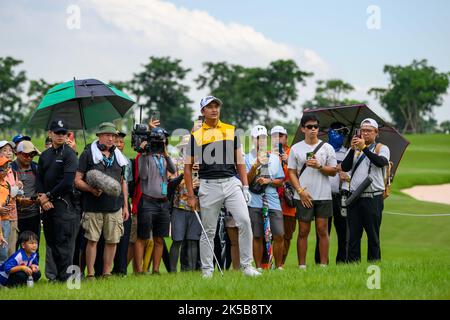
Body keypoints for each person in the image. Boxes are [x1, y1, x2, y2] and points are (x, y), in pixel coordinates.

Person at [184, 96, 261, 278]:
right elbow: (187, 168)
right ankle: (207, 271)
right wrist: (190, 195)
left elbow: (239, 161)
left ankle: (246, 266)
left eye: (216, 106)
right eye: (209, 107)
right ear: (202, 111)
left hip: (231, 182)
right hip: (208, 185)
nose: (214, 109)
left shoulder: (230, 130)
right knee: (208, 230)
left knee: (244, 221)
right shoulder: (196, 136)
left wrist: (245, 186)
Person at [75, 122, 129, 278]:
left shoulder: (118, 156)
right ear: (99, 136)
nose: (111, 139)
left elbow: (122, 181)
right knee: (92, 240)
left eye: (113, 136)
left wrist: (125, 206)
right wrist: (91, 189)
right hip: (93, 206)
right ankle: (91, 274)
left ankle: (106, 272)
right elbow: (77, 180)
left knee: (112, 241)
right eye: (107, 135)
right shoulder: (87, 154)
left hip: (114, 206)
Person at [288, 114, 337, 268]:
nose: (313, 130)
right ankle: (302, 266)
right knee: (303, 230)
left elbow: (334, 171)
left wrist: (319, 166)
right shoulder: (296, 148)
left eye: (316, 127)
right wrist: (300, 191)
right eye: (309, 127)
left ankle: (323, 265)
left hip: (323, 194)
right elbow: (291, 172)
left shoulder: (327, 148)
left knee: (322, 230)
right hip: (303, 195)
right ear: (303, 129)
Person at [341, 118, 390, 263]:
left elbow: (381, 162)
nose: (365, 133)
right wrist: (352, 149)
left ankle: (373, 267)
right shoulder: (355, 149)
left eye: (369, 131)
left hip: (373, 197)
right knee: (353, 236)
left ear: (376, 133)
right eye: (363, 130)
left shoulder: (381, 148)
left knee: (373, 236)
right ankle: (352, 268)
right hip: (355, 197)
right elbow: (344, 167)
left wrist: (364, 149)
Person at [36, 119, 80, 282]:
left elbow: (68, 182)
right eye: (57, 133)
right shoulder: (45, 155)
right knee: (52, 242)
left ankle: (68, 279)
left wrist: (49, 196)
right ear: (50, 134)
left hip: (65, 206)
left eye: (64, 133)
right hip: (47, 206)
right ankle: (56, 278)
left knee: (65, 245)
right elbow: (39, 178)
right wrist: (42, 197)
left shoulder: (70, 154)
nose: (61, 136)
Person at [135, 126, 175, 275]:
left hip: (163, 202)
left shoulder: (163, 157)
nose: (160, 143)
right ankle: (139, 270)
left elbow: (172, 170)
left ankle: (156, 270)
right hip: (148, 201)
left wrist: (166, 154)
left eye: (162, 140)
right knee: (142, 237)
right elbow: (143, 175)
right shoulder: (145, 156)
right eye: (157, 140)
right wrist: (145, 154)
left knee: (159, 238)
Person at [246, 125, 285, 270]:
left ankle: (279, 266)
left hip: (273, 200)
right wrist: (255, 166)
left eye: (263, 138)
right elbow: (246, 181)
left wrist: (269, 181)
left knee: (279, 234)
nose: (261, 141)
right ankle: (258, 267)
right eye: (258, 138)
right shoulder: (247, 158)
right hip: (254, 200)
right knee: (257, 235)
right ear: (252, 139)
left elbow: (281, 180)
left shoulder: (274, 158)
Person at [313, 122, 350, 264]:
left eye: (343, 134)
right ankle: (321, 262)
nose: (341, 136)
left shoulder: (347, 152)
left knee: (343, 232)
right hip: (323, 195)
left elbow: (351, 174)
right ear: (330, 133)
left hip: (341, 196)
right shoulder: (321, 150)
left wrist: (346, 177)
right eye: (338, 132)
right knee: (322, 231)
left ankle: (342, 262)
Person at [168, 135, 202, 273]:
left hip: (197, 207)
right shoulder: (175, 163)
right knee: (177, 240)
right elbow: (170, 185)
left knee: (193, 239)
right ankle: (172, 272)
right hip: (179, 206)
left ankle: (192, 271)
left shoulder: (202, 163)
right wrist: (183, 174)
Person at [270, 125, 297, 266]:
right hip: (271, 198)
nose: (278, 139)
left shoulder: (293, 153)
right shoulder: (267, 154)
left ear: (286, 138)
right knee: (270, 234)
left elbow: (301, 175)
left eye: (280, 136)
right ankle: (267, 263)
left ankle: (280, 264)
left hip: (288, 199)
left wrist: (288, 161)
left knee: (286, 235)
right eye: (274, 136)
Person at [11, 141, 41, 247]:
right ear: (17, 154)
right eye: (25, 155)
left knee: (33, 248)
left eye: (32, 155)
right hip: (14, 217)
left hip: (33, 216)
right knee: (12, 250)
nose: (29, 157)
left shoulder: (36, 168)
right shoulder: (9, 169)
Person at [111, 131, 133, 275]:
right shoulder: (105, 158)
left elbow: (128, 183)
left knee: (124, 238)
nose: (119, 145)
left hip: (123, 202)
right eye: (116, 141)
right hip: (108, 202)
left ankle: (121, 269)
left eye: (121, 142)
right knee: (109, 238)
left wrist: (126, 205)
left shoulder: (127, 161)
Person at [0, 141, 18, 262]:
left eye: (10, 150)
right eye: (4, 150)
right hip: (2, 218)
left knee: (8, 251)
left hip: (9, 217)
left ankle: (5, 279)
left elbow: (11, 196)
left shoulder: (12, 174)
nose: (8, 153)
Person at [0, 156, 13, 253]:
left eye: (6, 167)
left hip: (5, 221)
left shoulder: (7, 184)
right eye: (1, 168)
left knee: (4, 254)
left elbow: (9, 201)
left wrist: (10, 206)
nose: (5, 170)